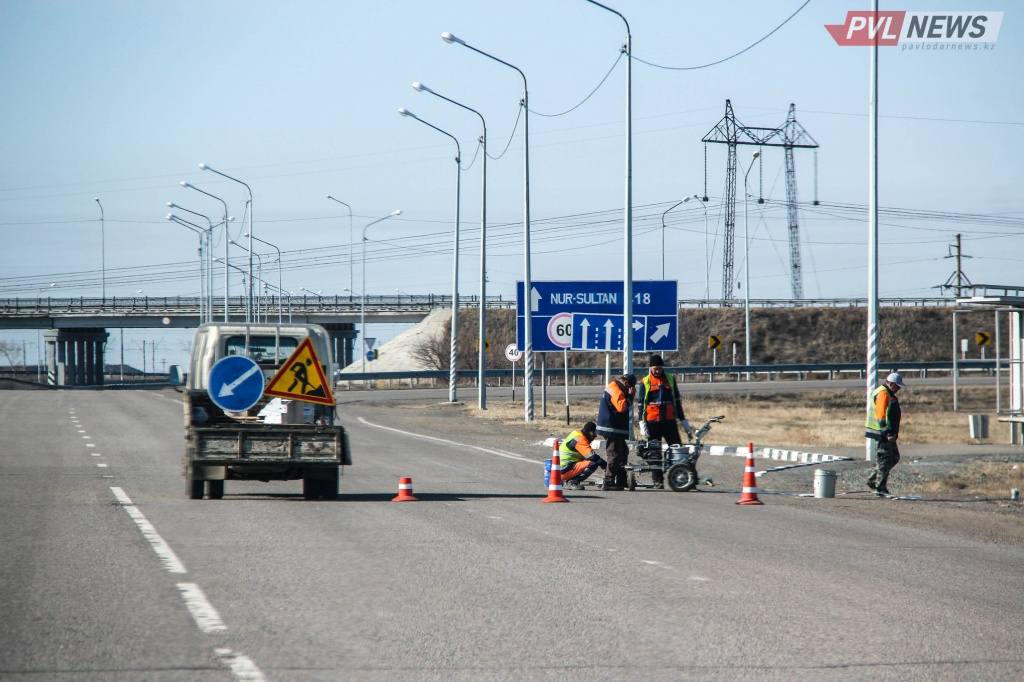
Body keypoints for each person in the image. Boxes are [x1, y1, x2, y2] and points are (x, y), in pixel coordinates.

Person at [636, 354, 694, 487]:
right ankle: (658, 480)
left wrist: (684, 422)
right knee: (654, 453)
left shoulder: (670, 379)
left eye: (660, 368)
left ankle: (684, 478)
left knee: (678, 450)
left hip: (669, 422)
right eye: (655, 368)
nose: (658, 371)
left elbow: (677, 402)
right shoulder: (645, 382)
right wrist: (641, 423)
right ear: (651, 368)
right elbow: (641, 405)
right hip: (652, 422)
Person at [865, 371, 906, 497]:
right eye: (897, 386)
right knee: (884, 460)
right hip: (883, 433)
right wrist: (887, 432)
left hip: (886, 433)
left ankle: (872, 480)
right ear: (890, 383)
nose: (898, 389)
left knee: (894, 458)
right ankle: (880, 487)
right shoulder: (883, 393)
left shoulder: (887, 393)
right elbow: (881, 415)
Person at [597, 373, 636, 491]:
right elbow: (622, 407)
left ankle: (621, 479)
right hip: (611, 427)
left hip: (614, 427)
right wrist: (630, 396)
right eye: (630, 387)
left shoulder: (616, 387)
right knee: (614, 454)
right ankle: (608, 481)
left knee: (623, 451)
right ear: (626, 383)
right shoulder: (615, 388)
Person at [557, 421, 606, 490]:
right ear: (590, 432)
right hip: (564, 470)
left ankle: (570, 479)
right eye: (594, 433)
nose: (595, 436)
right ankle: (574, 482)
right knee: (593, 463)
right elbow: (593, 456)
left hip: (562, 468)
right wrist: (605, 465)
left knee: (589, 460)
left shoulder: (576, 434)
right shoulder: (580, 440)